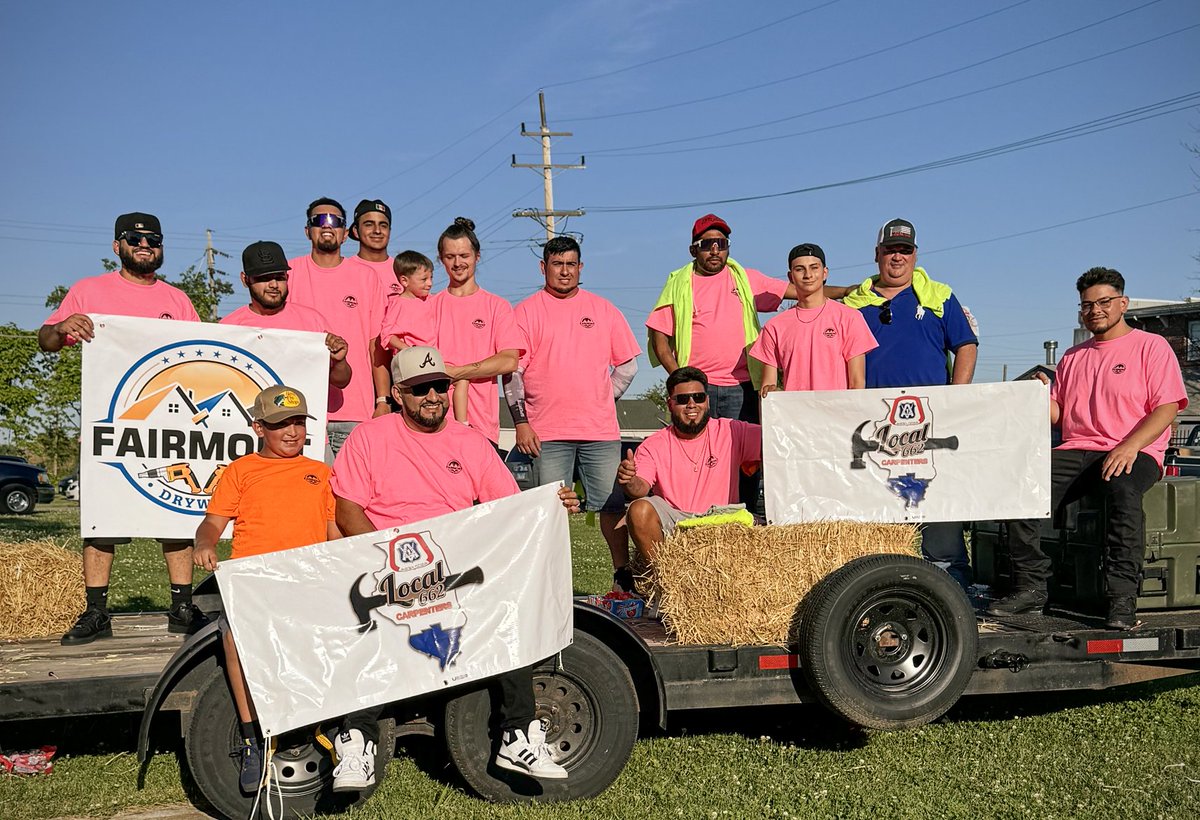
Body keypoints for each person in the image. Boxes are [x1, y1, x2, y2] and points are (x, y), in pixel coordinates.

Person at [329, 346, 576, 787]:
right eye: (421, 388)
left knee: (510, 607)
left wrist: (551, 504)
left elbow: (509, 507)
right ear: (400, 394)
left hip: (453, 568)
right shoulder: (369, 437)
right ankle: (355, 741)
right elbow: (348, 512)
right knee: (372, 623)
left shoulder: (469, 442)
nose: (433, 396)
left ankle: (517, 736)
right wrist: (389, 563)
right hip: (388, 567)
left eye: (440, 386)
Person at [39, 212, 208, 645]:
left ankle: (181, 606)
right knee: (103, 517)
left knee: (175, 507)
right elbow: (46, 339)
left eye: (154, 239)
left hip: (169, 423)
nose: (145, 244)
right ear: (117, 246)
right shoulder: (88, 290)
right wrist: (61, 328)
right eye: (135, 238)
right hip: (112, 419)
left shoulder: (179, 299)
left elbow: (198, 356)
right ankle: (97, 611)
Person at [988, 267, 1186, 629]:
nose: (1095, 310)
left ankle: (1121, 598)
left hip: (1134, 449)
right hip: (1078, 448)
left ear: (1122, 303)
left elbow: (1168, 407)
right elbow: (1059, 413)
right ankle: (1032, 587)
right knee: (1019, 485)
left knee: (1124, 492)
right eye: (1087, 305)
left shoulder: (1151, 346)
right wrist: (1035, 395)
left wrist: (1129, 446)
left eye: (1104, 302)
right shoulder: (1072, 357)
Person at [193, 385, 339, 793]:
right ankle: (250, 735)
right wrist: (204, 542)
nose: (291, 432)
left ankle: (319, 727)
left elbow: (333, 532)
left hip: (305, 579)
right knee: (233, 640)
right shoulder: (241, 470)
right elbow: (213, 523)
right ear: (259, 427)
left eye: (297, 423)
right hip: (254, 578)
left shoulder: (321, 473)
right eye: (279, 424)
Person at [842, 218, 979, 589]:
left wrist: (956, 395)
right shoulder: (852, 305)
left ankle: (954, 587)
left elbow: (965, 344)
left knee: (938, 505)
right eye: (890, 250)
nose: (897, 257)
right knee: (879, 510)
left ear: (915, 254)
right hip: (874, 426)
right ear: (877, 255)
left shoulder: (939, 296)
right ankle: (882, 587)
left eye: (905, 250)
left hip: (929, 423)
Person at [506, 236, 641, 591]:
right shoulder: (525, 312)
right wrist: (521, 422)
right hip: (545, 433)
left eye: (571, 264)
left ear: (581, 268)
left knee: (612, 506)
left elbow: (627, 366)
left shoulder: (604, 309)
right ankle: (545, 582)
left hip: (600, 431)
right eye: (557, 264)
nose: (564, 271)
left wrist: (601, 397)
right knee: (549, 510)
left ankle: (621, 575)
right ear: (543, 267)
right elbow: (512, 373)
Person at [645, 214, 795, 508]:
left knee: (748, 458)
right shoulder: (679, 284)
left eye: (721, 243)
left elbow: (801, 290)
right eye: (707, 244)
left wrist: (848, 292)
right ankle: (696, 516)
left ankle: (747, 517)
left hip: (742, 387)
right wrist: (681, 379)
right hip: (700, 391)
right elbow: (659, 339)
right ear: (693, 250)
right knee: (701, 458)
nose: (715, 250)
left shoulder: (745, 278)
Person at [617, 367, 762, 569]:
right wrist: (629, 479)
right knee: (638, 509)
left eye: (698, 397)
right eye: (683, 399)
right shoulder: (654, 444)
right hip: (676, 523)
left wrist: (772, 399)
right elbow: (639, 489)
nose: (692, 404)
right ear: (670, 404)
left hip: (722, 518)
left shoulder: (732, 430)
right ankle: (667, 581)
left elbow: (778, 441)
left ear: (707, 401)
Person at [284, 198, 390, 458]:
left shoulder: (367, 277)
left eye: (335, 221)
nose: (327, 225)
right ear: (307, 230)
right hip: (298, 412)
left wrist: (382, 400)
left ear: (345, 234)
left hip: (355, 412)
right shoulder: (288, 273)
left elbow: (375, 344)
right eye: (319, 220)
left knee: (354, 496)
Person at [426, 217, 522, 446]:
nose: (457, 263)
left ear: (477, 256)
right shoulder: (428, 305)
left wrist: (458, 372)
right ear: (441, 260)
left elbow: (509, 360)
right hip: (433, 424)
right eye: (450, 257)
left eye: (464, 256)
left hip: (481, 427)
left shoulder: (497, 306)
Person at [220, 240, 352, 391]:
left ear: (287, 277)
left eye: (280, 277)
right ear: (245, 279)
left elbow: (341, 381)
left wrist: (339, 361)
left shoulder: (312, 320)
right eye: (263, 278)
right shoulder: (228, 327)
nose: (274, 284)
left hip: (304, 412)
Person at [749, 243, 877, 395]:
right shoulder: (774, 327)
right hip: (795, 415)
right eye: (799, 269)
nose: (808, 275)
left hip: (837, 414)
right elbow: (768, 387)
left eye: (814, 267)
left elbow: (857, 384)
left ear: (825, 273)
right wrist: (771, 391)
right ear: (790, 277)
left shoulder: (850, 318)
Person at [349, 199, 397, 296]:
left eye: (383, 226)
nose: (377, 231)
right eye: (369, 225)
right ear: (355, 231)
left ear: (389, 231)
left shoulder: (403, 270)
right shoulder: (345, 270)